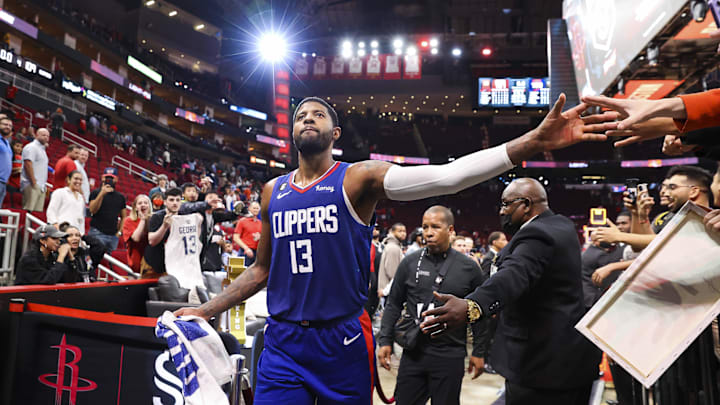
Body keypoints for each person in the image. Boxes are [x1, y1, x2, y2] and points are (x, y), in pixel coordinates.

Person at [174, 95, 613, 404]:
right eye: (301, 115)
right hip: (284, 339)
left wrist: (529, 144)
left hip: (340, 338)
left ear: (335, 132)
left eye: (318, 115)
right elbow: (260, 270)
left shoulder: (358, 178)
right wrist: (205, 309)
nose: (308, 118)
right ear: (292, 131)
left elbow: (446, 177)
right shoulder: (273, 191)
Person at [420, 178, 601, 405]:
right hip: (568, 358)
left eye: (506, 205)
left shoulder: (536, 234)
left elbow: (513, 275)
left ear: (525, 204)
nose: (501, 211)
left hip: (541, 365)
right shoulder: (562, 224)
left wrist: (472, 306)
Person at [378, 206, 488, 405]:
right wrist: (385, 340)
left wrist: (480, 352)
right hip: (413, 352)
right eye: (425, 227)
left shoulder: (470, 268)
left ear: (451, 230)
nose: (428, 232)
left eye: (435, 227)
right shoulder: (409, 263)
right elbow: (394, 303)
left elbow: (478, 313)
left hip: (450, 355)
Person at [581, 211, 630, 310]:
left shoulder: (593, 251)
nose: (620, 227)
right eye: (618, 224)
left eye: (623, 223)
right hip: (595, 299)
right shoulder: (598, 254)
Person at [88, 167, 127, 251]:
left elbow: (124, 216)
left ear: (116, 179)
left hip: (113, 236)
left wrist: (119, 232)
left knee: (110, 262)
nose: (109, 180)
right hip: (97, 233)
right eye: (107, 177)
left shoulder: (120, 197)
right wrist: (102, 193)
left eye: (112, 178)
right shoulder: (95, 193)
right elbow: (92, 210)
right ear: (102, 178)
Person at [122, 194, 153, 276]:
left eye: (145, 203)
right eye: (140, 203)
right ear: (135, 207)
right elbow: (136, 238)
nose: (143, 205)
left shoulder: (154, 220)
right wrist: (143, 220)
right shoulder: (128, 221)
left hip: (151, 264)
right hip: (135, 264)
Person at [20, 127, 50, 212]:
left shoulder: (42, 150)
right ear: (36, 135)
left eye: (48, 136)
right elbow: (28, 164)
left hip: (40, 186)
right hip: (32, 184)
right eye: (43, 135)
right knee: (28, 211)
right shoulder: (31, 147)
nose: (46, 137)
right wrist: (33, 182)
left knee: (36, 214)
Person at [377, 222, 406, 298]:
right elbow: (393, 273)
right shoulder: (393, 248)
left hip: (389, 290)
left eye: (404, 231)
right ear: (392, 232)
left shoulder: (395, 246)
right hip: (389, 292)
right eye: (400, 231)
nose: (403, 233)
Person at [233, 200, 261, 266]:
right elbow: (235, 238)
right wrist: (246, 248)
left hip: (257, 253)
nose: (255, 210)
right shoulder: (242, 221)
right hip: (245, 252)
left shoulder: (260, 223)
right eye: (254, 208)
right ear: (249, 209)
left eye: (257, 208)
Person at [0, 117, 13, 205]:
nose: (8, 127)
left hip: (3, 182)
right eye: (5, 124)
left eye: (10, 125)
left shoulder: (7, 142)